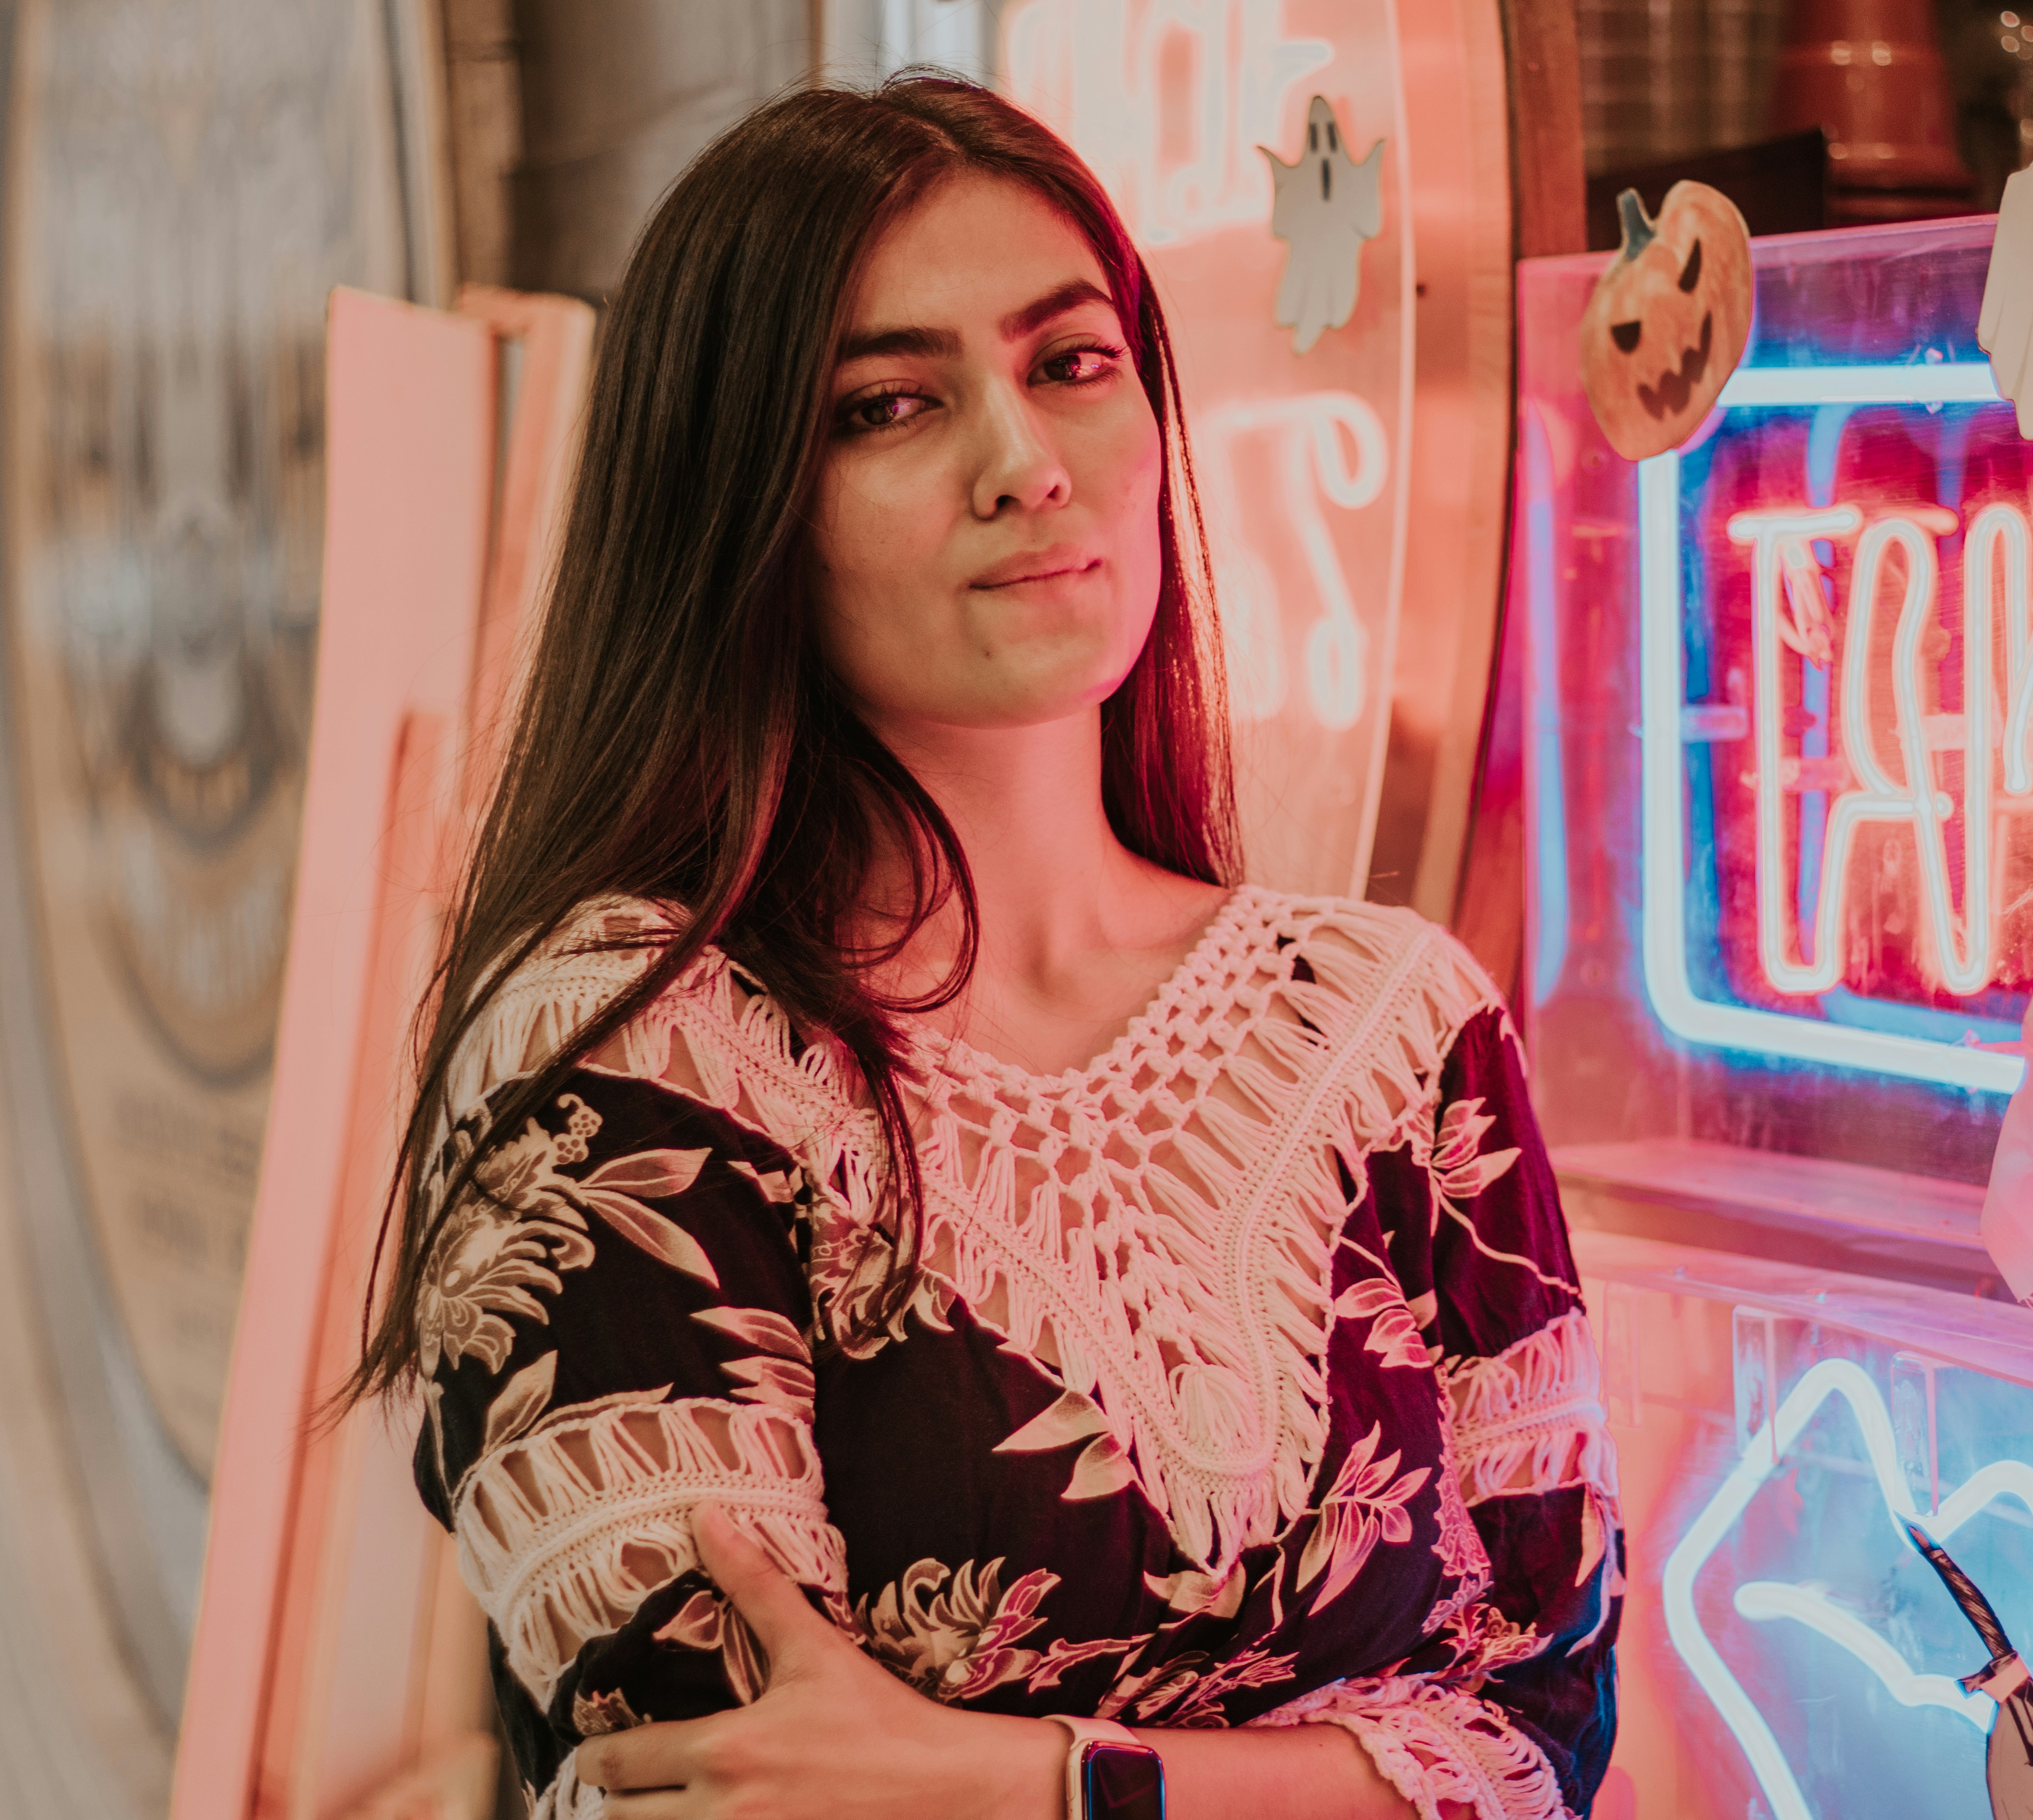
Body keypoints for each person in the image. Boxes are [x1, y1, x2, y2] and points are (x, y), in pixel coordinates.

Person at [345, 76, 1619, 1820]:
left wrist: (1034, 1785)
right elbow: (734, 1784)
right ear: (737, 505)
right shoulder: (629, 1048)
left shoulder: (1401, 1027)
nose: (1021, 464)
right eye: (889, 405)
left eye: (1072, 363)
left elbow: (1546, 1733)